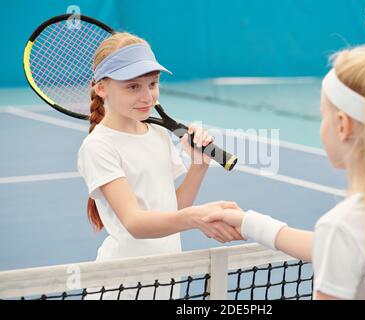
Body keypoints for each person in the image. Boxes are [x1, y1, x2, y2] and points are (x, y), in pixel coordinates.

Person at [203, 43, 365, 300]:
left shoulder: (340, 227)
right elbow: (335, 249)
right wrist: (249, 223)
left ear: (341, 125)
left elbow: (338, 242)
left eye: (322, 115)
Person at [77, 32, 242, 299]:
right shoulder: (98, 147)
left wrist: (198, 166)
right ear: (102, 88)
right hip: (122, 284)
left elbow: (171, 209)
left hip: (166, 276)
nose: (147, 96)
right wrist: (196, 218)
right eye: (133, 86)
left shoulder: (157, 134)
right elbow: (135, 223)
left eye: (152, 84)